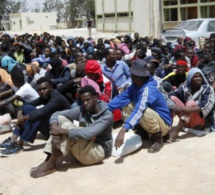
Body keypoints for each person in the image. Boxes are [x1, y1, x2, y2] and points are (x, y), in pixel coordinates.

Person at [30, 85, 113, 178]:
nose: (85, 103)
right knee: (61, 119)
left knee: (67, 129)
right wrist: (55, 130)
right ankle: (48, 160)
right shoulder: (83, 110)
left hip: (98, 152)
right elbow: (57, 114)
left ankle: (50, 164)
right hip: (85, 146)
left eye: (87, 100)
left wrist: (60, 131)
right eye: (82, 101)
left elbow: (88, 133)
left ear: (95, 98)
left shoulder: (107, 116)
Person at [108, 59, 172, 153]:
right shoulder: (135, 86)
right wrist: (104, 108)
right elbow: (120, 99)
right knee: (127, 104)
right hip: (152, 120)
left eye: (132, 75)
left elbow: (140, 110)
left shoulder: (148, 89)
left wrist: (123, 130)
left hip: (163, 125)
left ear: (138, 76)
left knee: (143, 110)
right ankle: (143, 132)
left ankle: (158, 139)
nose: (131, 76)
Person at [0, 77, 71, 156]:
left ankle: (19, 144)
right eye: (39, 90)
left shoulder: (56, 98)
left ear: (51, 87)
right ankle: (13, 140)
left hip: (60, 132)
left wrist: (22, 119)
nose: (42, 92)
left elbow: (41, 113)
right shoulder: (45, 97)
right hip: (51, 128)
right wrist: (19, 115)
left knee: (35, 114)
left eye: (44, 89)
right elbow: (25, 105)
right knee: (28, 108)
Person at [168, 68, 214, 141]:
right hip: (187, 120)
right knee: (172, 98)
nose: (198, 78)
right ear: (190, 78)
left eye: (200, 76)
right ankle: (168, 128)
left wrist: (186, 109)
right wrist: (174, 106)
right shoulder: (185, 88)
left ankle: (176, 131)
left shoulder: (207, 89)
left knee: (190, 103)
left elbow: (204, 106)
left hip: (200, 123)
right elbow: (169, 95)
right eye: (195, 77)